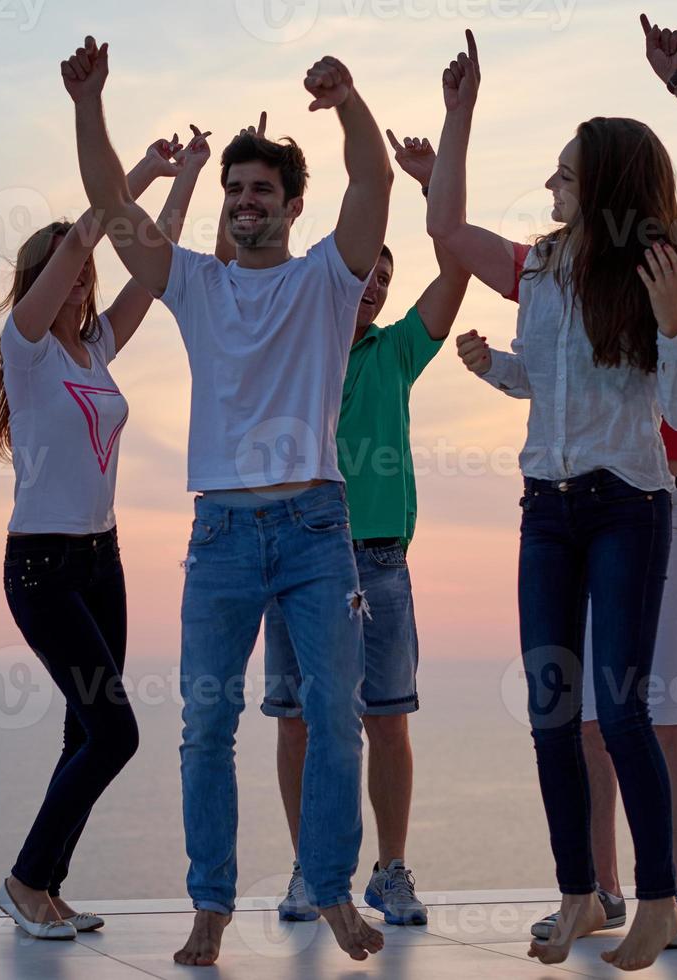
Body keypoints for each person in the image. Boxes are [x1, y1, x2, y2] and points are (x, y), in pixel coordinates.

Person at [61, 35, 393, 965]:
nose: (246, 202)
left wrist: (350, 100)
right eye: (235, 191)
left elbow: (374, 186)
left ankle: (329, 890)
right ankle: (210, 903)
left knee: (335, 720)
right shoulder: (195, 284)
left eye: (263, 192)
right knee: (205, 724)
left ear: (292, 206)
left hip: (316, 530)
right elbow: (112, 208)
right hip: (220, 536)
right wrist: (90, 105)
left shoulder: (328, 278)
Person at [433, 27, 677, 971]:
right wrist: (458, 116)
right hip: (547, 506)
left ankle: (658, 900)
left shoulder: (662, 268)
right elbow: (448, 234)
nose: (550, 187)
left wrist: (667, 323)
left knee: (621, 708)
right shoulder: (535, 268)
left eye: (565, 175)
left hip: (630, 504)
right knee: (550, 708)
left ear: (604, 181)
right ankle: (579, 892)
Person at [525, 13, 677, 952]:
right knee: (582, 713)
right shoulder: (558, 266)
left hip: (669, 506)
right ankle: (599, 893)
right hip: (573, 503)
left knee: (657, 710)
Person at [0, 127, 211, 940]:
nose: (81, 281)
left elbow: (159, 255)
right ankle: (22, 877)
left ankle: (47, 889)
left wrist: (188, 179)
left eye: (85, 276)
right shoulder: (28, 345)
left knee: (83, 730)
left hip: (100, 558)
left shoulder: (97, 346)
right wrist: (138, 169)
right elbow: (89, 232)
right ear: (46, 280)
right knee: (116, 731)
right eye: (68, 272)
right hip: (40, 564)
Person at [240, 117, 469, 927]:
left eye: (382, 275)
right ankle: (309, 871)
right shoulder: (293, 338)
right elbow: (250, 273)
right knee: (297, 720)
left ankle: (391, 871)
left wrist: (428, 182)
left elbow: (455, 270)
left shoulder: (396, 350)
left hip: (376, 562)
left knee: (386, 718)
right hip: (296, 548)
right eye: (361, 270)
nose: (368, 282)